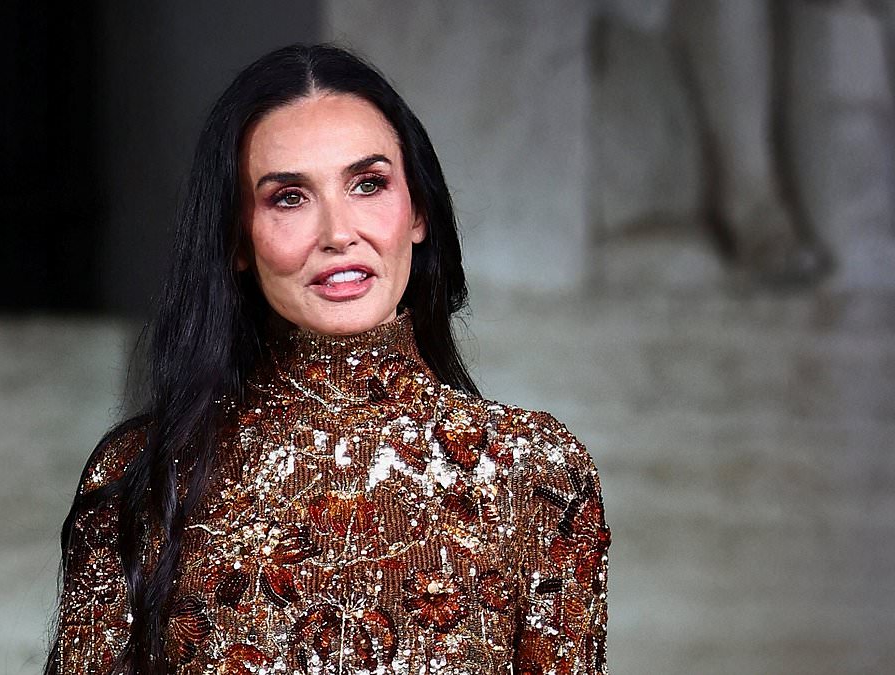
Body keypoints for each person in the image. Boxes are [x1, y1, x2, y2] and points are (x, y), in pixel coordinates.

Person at [46, 44, 610, 675]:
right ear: (237, 240)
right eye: (290, 197)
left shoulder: (536, 472)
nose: (339, 233)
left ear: (418, 211)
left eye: (368, 184)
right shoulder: (143, 477)